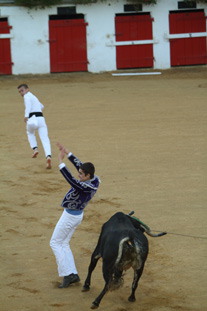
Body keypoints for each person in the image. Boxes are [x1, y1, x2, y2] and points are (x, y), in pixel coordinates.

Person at [50, 142, 100, 288]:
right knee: (63, 243)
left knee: (55, 243)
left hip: (70, 217)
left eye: (81, 174)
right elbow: (81, 165)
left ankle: (67, 275)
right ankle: (72, 273)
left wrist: (60, 162)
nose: (79, 175)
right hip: (76, 215)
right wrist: (69, 154)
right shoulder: (94, 179)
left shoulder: (85, 187)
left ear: (87, 175)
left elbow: (71, 180)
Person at [18, 84, 52, 169]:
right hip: (41, 119)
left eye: (22, 90)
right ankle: (48, 156)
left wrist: (26, 115)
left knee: (30, 132)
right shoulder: (34, 97)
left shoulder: (26, 96)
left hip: (32, 119)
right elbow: (42, 106)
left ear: (27, 90)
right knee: (45, 139)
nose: (21, 93)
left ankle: (35, 149)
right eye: (20, 92)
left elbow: (28, 106)